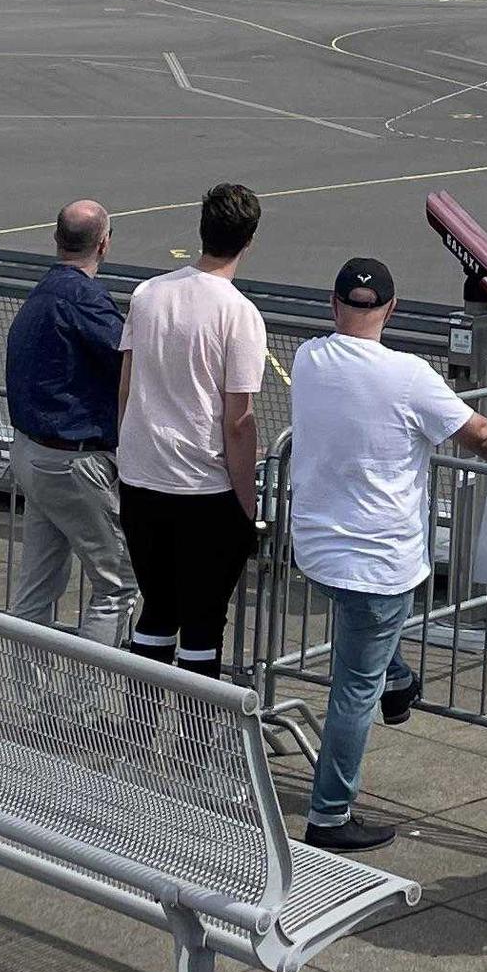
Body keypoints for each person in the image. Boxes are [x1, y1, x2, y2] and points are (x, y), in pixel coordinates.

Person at [285, 254, 487, 853]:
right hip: (380, 559)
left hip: (319, 550)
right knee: (355, 685)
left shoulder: (308, 360)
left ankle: (398, 682)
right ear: (392, 310)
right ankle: (329, 815)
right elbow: (478, 434)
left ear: (333, 306)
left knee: (370, 638)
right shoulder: (408, 376)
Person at [116, 181, 273, 693]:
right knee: (203, 626)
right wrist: (246, 502)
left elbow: (126, 385)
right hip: (202, 490)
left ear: (202, 230)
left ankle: (136, 734)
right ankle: (192, 746)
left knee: (155, 612)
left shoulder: (148, 293)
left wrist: (129, 451)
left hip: (142, 478)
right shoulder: (240, 313)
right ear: (248, 241)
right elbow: (238, 420)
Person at [3, 199, 139, 648]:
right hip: (72, 462)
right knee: (117, 582)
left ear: (57, 240)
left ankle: (34, 701)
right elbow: (132, 363)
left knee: (37, 584)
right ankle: (82, 709)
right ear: (104, 244)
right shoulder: (84, 301)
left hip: (31, 452)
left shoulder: (42, 294)